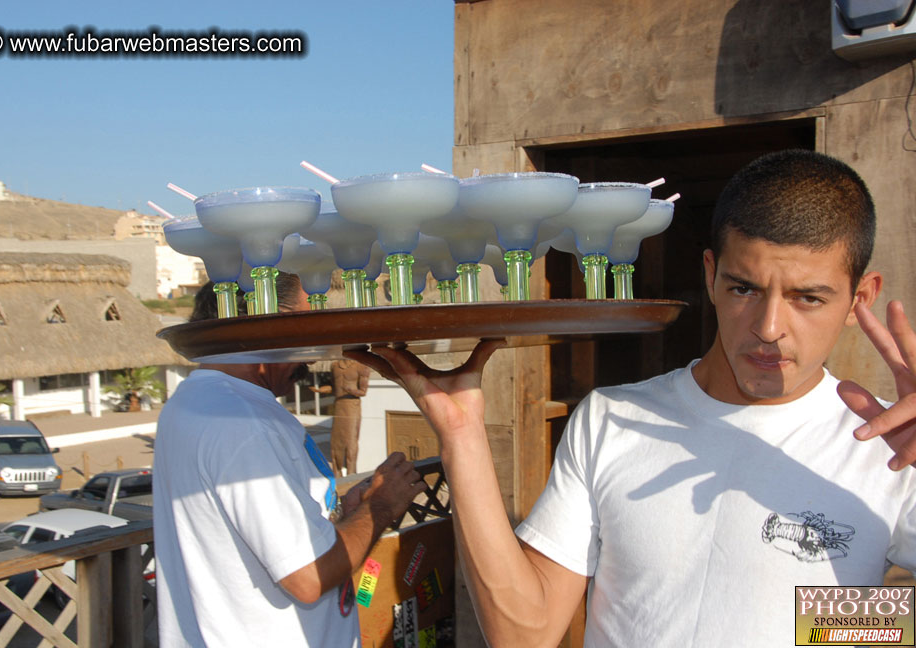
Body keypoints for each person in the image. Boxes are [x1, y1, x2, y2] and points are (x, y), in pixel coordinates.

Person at [349, 150, 916, 646]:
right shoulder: (616, 418)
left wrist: (831, 625)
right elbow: (524, 633)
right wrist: (462, 436)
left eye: (808, 298)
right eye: (744, 288)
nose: (769, 326)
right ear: (711, 275)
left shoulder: (893, 449)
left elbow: (885, 626)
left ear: (859, 298)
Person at [153, 277, 426, 648]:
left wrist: (344, 518)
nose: (310, 354)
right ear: (265, 325)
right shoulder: (243, 424)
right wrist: (381, 505)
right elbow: (308, 577)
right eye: (301, 328)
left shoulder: (191, 401)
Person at [310, 359, 372, 475]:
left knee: (350, 440)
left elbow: (363, 392)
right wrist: (321, 390)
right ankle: (337, 474)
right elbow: (334, 388)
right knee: (336, 441)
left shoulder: (361, 366)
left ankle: (351, 472)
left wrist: (352, 391)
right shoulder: (334, 366)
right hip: (338, 404)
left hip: (352, 405)